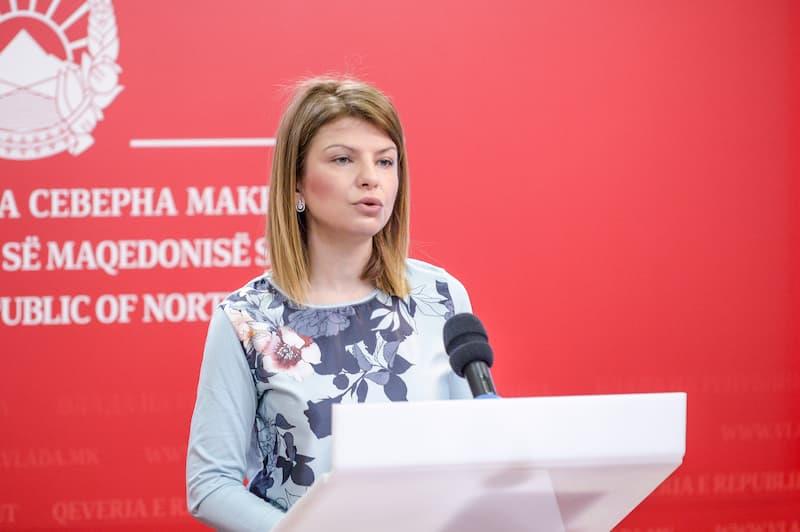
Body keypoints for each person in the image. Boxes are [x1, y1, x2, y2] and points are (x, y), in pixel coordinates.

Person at [186, 76, 473, 531]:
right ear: (296, 184)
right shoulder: (247, 319)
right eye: (343, 159)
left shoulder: (440, 297)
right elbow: (210, 485)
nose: (370, 177)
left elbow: (479, 449)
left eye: (385, 161)